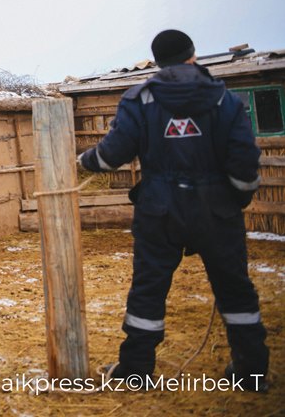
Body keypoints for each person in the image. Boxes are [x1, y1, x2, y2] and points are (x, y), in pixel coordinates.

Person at [78, 29, 268, 392]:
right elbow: (245, 160)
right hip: (217, 209)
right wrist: (235, 200)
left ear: (157, 62)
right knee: (235, 290)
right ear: (193, 55)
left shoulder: (140, 99)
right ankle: (251, 372)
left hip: (159, 209)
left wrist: (85, 161)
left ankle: (135, 371)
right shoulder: (224, 98)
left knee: (148, 288)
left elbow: (112, 154)